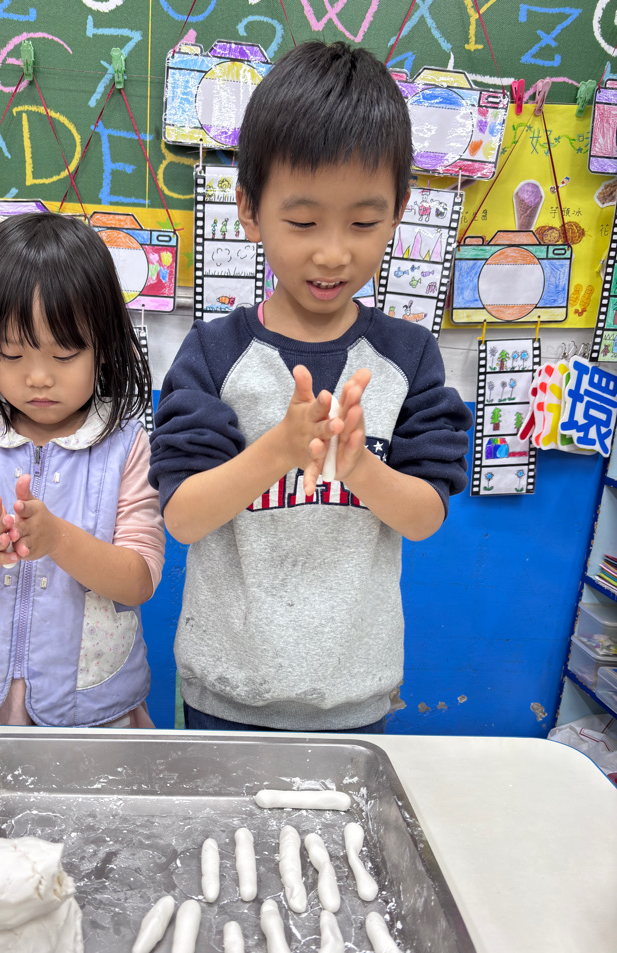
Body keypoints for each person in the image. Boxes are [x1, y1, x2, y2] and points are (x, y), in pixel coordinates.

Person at [149, 41, 472, 733]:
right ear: (248, 209)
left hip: (354, 700)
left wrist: (358, 467)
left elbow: (424, 518)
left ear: (399, 210)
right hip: (224, 697)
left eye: (364, 222)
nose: (332, 252)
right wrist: (280, 450)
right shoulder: (213, 354)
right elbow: (182, 519)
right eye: (302, 222)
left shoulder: (409, 357)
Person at [0, 213, 164, 727]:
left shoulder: (127, 446)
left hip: (94, 716)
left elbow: (138, 580)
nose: (39, 377)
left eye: (65, 354)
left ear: (104, 347)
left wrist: (57, 539)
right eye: (12, 352)